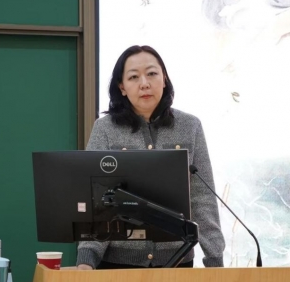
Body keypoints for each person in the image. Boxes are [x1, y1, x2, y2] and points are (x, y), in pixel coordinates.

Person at [76, 45, 226, 270]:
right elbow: (96, 201)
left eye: (152, 73)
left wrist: (215, 261)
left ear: (164, 79)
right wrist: (87, 257)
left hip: (178, 262)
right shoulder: (105, 129)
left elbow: (202, 198)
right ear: (122, 87)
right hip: (117, 264)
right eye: (133, 77)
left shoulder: (190, 126)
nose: (144, 83)